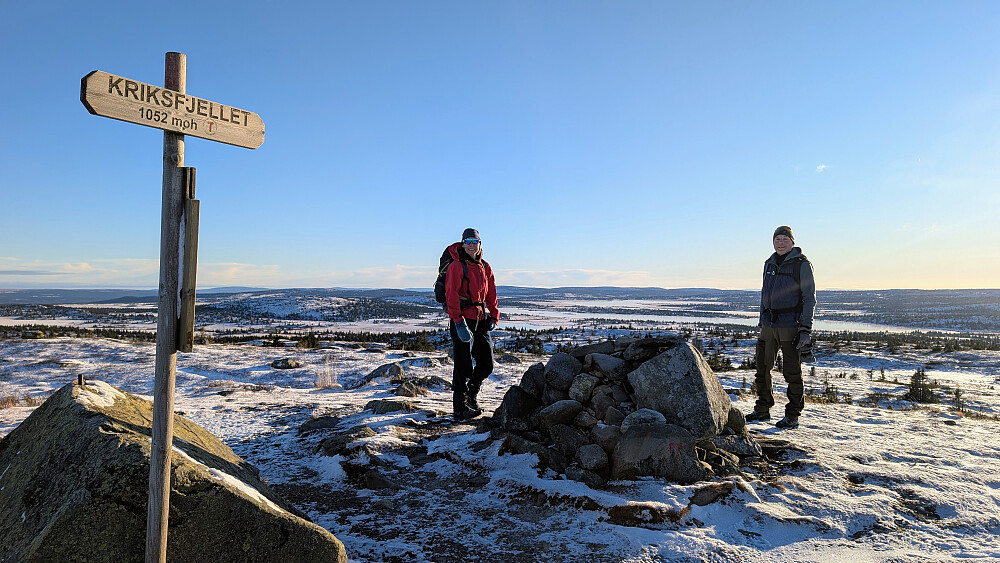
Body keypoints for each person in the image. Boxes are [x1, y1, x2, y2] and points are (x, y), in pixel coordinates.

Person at [745, 226, 817, 429]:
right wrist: (761, 322)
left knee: (792, 373)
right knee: (762, 367)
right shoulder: (769, 263)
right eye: (777, 239)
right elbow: (764, 294)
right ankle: (762, 409)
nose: (781, 242)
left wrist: (805, 328)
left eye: (785, 239)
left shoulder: (801, 264)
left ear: (792, 242)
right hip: (768, 326)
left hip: (790, 325)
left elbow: (809, 298)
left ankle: (792, 416)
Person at [444, 228, 500, 420]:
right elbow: (450, 294)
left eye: (474, 242)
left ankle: (471, 395)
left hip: (479, 318)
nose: (470, 245)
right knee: (463, 364)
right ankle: (460, 408)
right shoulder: (457, 266)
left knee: (486, 364)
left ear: (479, 244)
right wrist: (458, 322)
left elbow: (491, 293)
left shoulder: (485, 266)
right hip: (462, 318)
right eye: (467, 241)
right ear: (462, 243)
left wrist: (494, 316)